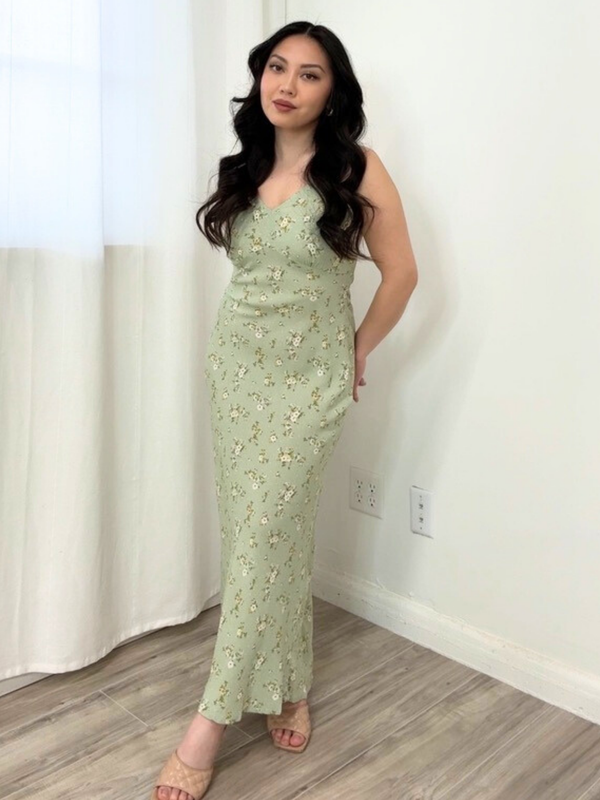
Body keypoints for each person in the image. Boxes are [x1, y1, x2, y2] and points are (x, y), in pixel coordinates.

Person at [150, 19, 418, 800]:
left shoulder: (356, 169)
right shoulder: (243, 167)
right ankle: (287, 683)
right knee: (261, 535)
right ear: (260, 76)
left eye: (309, 73)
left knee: (269, 527)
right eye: (277, 67)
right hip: (236, 370)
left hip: (310, 381)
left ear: (333, 94)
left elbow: (402, 273)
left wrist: (358, 349)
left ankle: (208, 722)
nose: (287, 85)